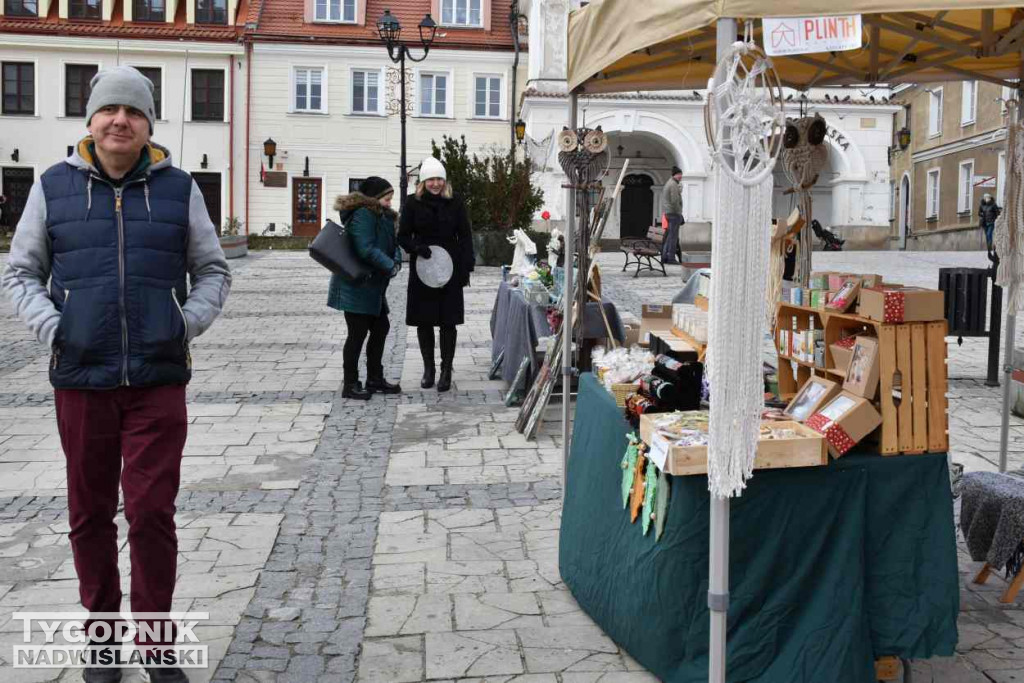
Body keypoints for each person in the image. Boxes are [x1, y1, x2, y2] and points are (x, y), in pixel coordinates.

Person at [0, 66, 231, 683]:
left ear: (148, 124)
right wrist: (57, 327)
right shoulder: (52, 187)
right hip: (81, 379)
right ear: (92, 121)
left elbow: (213, 270)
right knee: (89, 513)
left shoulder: (180, 189)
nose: (119, 121)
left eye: (132, 112)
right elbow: (20, 272)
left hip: (158, 379)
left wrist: (184, 323)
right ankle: (102, 641)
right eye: (109, 111)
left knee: (152, 512)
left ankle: (155, 644)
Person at [399, 157, 474, 392]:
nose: (435, 184)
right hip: (423, 267)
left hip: (450, 268)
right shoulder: (412, 203)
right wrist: (416, 248)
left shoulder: (455, 201)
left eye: (439, 179)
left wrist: (465, 268)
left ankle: (446, 370)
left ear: (445, 180)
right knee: (425, 321)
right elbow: (402, 236)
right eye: (430, 179)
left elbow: (465, 236)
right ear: (423, 181)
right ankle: (428, 369)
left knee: (448, 322)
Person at [327, 176, 402, 400]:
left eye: (391, 199)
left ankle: (374, 379)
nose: (390, 203)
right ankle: (350, 384)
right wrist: (390, 265)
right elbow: (365, 248)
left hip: (373, 286)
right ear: (375, 198)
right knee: (357, 335)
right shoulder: (363, 215)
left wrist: (395, 260)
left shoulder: (382, 216)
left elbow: (392, 245)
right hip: (357, 285)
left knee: (380, 328)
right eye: (387, 199)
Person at [660, 166, 684, 264]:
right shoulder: (673, 184)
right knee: (673, 237)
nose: (680, 176)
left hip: (669, 213)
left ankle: (665, 256)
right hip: (673, 213)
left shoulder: (669, 183)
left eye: (681, 174)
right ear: (674, 175)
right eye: (679, 174)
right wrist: (679, 213)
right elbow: (674, 201)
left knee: (669, 236)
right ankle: (671, 258)